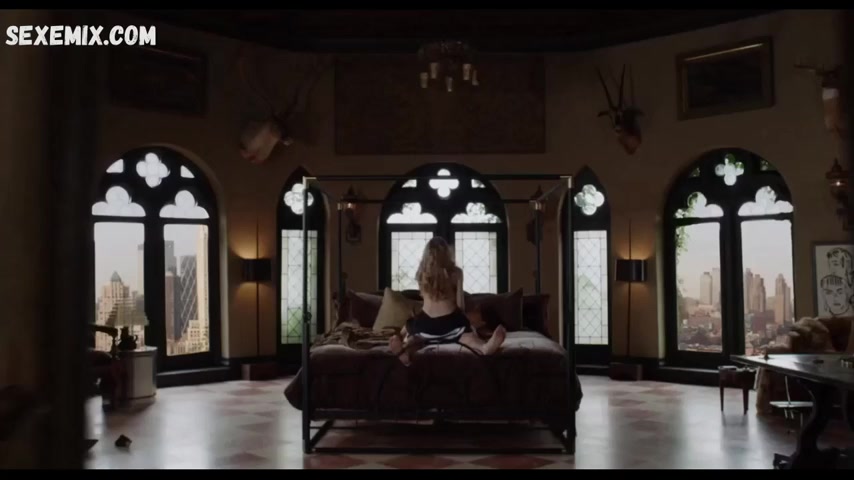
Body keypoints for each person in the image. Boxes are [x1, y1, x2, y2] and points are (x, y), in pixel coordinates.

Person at [389, 236, 506, 365]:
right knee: (468, 336)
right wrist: (467, 322)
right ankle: (484, 347)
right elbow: (460, 305)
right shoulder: (456, 273)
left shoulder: (421, 274)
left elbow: (425, 303)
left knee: (413, 337)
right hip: (452, 325)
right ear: (447, 254)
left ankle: (406, 350)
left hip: (425, 326)